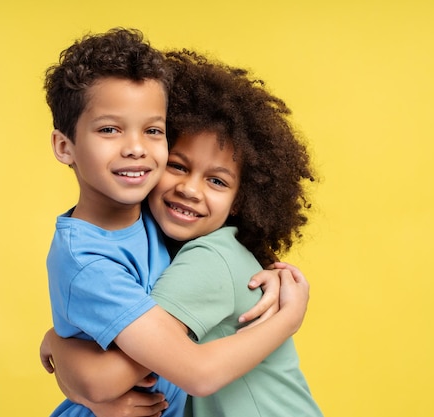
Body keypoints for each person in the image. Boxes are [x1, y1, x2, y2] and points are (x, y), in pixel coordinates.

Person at [43, 28, 311, 417]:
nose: (135, 148)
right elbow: (109, 381)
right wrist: (288, 318)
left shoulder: (185, 243)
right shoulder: (94, 260)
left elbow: (104, 380)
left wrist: (58, 344)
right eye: (109, 129)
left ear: (244, 199)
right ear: (65, 146)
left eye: (152, 131)